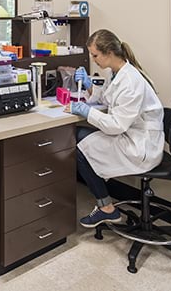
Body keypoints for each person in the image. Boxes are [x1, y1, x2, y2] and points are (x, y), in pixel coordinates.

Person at [67, 29, 164, 228]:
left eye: (95, 55)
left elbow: (116, 126)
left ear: (109, 53)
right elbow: (110, 99)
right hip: (131, 135)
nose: (93, 60)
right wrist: (89, 86)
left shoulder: (130, 81)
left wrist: (86, 111)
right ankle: (105, 204)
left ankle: (107, 209)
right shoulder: (120, 72)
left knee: (77, 143)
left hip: (140, 147)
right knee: (78, 136)